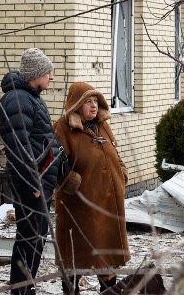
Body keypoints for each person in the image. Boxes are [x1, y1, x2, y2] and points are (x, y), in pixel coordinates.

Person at [53, 81, 129, 295]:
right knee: (76, 256)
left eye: (95, 101)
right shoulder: (62, 128)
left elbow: (114, 151)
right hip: (80, 205)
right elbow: (53, 163)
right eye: (88, 102)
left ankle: (108, 290)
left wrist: (121, 171)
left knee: (107, 256)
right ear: (76, 105)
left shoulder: (102, 125)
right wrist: (68, 182)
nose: (94, 106)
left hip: (108, 203)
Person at [0, 47, 63, 295]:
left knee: (35, 238)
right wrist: (33, 182)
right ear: (35, 74)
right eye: (48, 72)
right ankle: (22, 290)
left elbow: (39, 139)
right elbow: (18, 146)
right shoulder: (18, 100)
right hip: (31, 184)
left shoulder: (30, 97)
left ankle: (26, 288)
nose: (52, 77)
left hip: (40, 181)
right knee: (30, 239)